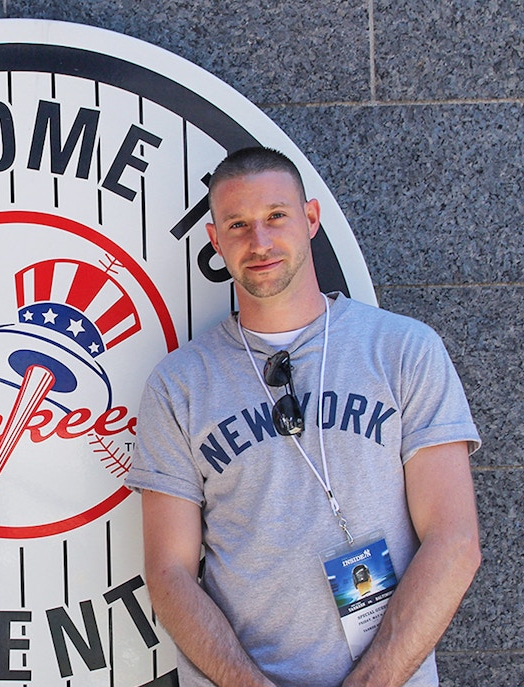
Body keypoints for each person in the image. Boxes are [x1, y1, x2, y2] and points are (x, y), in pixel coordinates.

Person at [127, 147, 481, 687]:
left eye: (276, 217)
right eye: (238, 225)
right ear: (215, 242)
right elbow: (169, 573)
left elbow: (455, 542)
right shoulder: (179, 385)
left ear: (311, 219)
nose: (260, 242)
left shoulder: (403, 351)